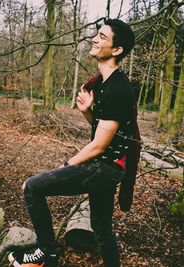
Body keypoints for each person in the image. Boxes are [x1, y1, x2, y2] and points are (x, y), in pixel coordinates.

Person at [8, 18, 140, 267]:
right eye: (97, 34)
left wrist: (67, 164)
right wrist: (87, 113)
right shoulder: (105, 85)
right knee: (101, 229)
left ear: (117, 50)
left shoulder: (117, 89)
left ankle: (48, 255)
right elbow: (105, 132)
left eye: (102, 36)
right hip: (109, 167)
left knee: (32, 188)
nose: (94, 38)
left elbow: (99, 146)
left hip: (105, 167)